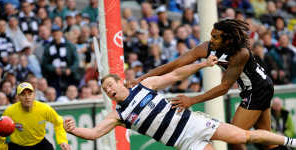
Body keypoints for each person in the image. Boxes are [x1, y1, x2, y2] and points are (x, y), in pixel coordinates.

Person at [64, 56, 296, 150]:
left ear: (120, 81)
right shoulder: (118, 115)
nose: (109, 90)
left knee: (246, 137)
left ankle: (291, 142)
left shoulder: (145, 85)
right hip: (184, 142)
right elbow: (94, 133)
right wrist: (74, 130)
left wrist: (202, 64)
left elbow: (176, 75)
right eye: (105, 90)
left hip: (194, 124)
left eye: (111, 85)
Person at [128, 19, 279, 150]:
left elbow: (224, 88)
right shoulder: (207, 48)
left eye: (216, 37)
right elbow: (173, 65)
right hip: (258, 87)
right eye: (211, 36)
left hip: (257, 90)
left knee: (235, 137)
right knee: (266, 141)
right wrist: (141, 79)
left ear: (227, 40)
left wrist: (192, 100)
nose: (211, 40)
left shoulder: (241, 54)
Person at [0, 82, 70, 150]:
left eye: (30, 94)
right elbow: (1, 129)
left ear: (34, 95)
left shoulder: (44, 108)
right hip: (17, 146)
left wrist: (62, 140)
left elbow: (58, 122)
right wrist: (1, 146)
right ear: (18, 97)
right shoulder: (10, 111)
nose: (27, 97)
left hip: (39, 144)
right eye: (23, 94)